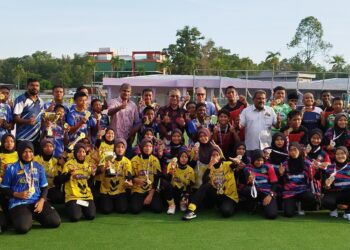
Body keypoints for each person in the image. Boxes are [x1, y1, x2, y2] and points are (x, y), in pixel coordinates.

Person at [0, 141, 61, 234]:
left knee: (55, 222)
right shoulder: (11, 168)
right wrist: (16, 194)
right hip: (19, 203)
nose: (28, 154)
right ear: (20, 152)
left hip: (36, 201)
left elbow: (44, 187)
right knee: (22, 228)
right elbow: (4, 188)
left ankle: (31, 216)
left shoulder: (39, 167)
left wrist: (41, 201)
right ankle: (25, 217)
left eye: (30, 151)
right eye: (25, 152)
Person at [183, 147, 239, 220]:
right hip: (217, 195)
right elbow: (204, 181)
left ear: (220, 157)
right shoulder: (210, 168)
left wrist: (236, 162)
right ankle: (191, 210)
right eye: (213, 155)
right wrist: (209, 166)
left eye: (217, 155)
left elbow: (235, 165)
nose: (215, 157)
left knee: (226, 212)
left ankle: (233, 206)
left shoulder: (227, 164)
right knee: (206, 185)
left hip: (229, 197)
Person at [279, 142, 317, 217]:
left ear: (299, 150)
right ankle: (294, 205)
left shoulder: (307, 163)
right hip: (289, 191)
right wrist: (281, 174)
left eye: (295, 150)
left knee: (311, 198)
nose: (293, 152)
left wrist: (316, 170)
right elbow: (281, 181)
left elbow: (314, 178)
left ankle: (301, 205)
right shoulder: (285, 164)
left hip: (303, 190)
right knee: (288, 214)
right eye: (291, 150)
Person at [240, 90, 281, 155]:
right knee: (250, 165)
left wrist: (278, 122)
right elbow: (241, 125)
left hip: (266, 147)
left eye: (263, 99)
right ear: (253, 99)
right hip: (251, 147)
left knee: (266, 165)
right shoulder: (246, 111)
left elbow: (277, 126)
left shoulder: (270, 110)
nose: (261, 100)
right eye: (259, 98)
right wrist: (237, 124)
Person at [98, 138, 133, 214]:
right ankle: (109, 203)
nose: (120, 149)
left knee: (122, 210)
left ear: (125, 149)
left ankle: (115, 203)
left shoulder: (127, 161)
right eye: (118, 147)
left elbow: (129, 175)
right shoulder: (107, 157)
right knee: (106, 210)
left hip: (120, 190)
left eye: (122, 147)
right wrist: (104, 167)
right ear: (114, 148)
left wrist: (129, 182)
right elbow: (98, 171)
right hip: (106, 190)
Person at [242, 149, 278, 219]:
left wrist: (270, 195)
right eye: (257, 160)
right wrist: (250, 180)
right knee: (248, 189)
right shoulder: (247, 168)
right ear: (253, 160)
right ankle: (253, 205)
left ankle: (262, 205)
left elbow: (275, 184)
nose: (260, 162)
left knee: (271, 215)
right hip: (255, 192)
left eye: (261, 160)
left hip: (267, 192)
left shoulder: (268, 167)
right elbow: (246, 184)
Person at [130, 138, 163, 214]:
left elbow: (157, 179)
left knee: (158, 209)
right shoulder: (134, 160)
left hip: (151, 190)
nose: (148, 148)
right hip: (138, 189)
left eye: (150, 146)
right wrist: (135, 180)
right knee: (135, 210)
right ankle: (143, 203)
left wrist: (150, 195)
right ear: (141, 147)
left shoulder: (155, 160)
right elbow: (130, 176)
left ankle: (147, 201)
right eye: (145, 146)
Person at [108, 83, 139, 157]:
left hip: (128, 138)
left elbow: (136, 121)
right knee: (114, 160)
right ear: (120, 91)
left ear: (130, 93)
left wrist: (133, 135)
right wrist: (120, 107)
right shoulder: (113, 102)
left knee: (127, 160)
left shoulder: (133, 105)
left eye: (128, 91)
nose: (126, 93)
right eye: (124, 91)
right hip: (115, 138)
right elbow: (109, 112)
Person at [13, 78, 44, 152]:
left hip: (36, 138)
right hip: (22, 138)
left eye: (37, 85)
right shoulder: (21, 99)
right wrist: (27, 121)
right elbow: (15, 118)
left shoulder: (41, 101)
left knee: (34, 161)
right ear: (27, 86)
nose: (35, 87)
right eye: (32, 85)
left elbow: (41, 117)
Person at [321, 147, 350, 219]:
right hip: (334, 193)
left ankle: (348, 211)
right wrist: (327, 186)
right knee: (326, 201)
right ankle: (333, 209)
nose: (340, 156)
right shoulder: (329, 167)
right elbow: (324, 186)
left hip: (348, 193)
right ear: (335, 156)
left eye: (342, 153)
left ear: (347, 154)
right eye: (337, 154)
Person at [34, 138, 64, 204]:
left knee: (60, 197)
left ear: (53, 148)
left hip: (50, 187)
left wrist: (62, 165)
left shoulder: (56, 161)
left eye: (51, 146)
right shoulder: (35, 159)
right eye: (46, 146)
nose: (48, 148)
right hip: (37, 188)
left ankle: (46, 198)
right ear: (42, 148)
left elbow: (59, 179)